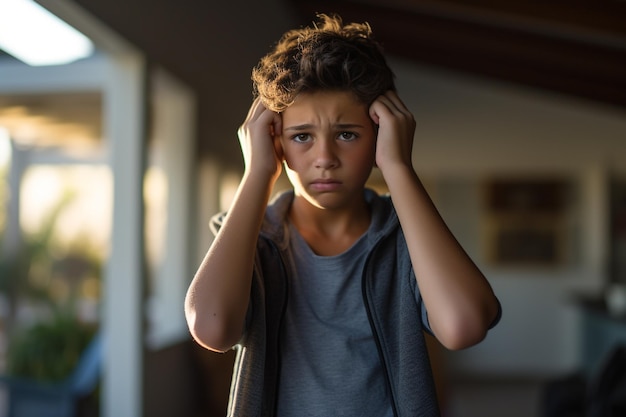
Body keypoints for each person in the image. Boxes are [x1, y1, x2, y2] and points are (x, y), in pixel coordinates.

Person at [185, 13, 501, 417]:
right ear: (274, 141)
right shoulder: (250, 235)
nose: (325, 159)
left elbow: (464, 326)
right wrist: (257, 174)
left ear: (380, 135)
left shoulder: (411, 237)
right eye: (302, 136)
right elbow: (212, 328)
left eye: (347, 134)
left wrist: (399, 168)